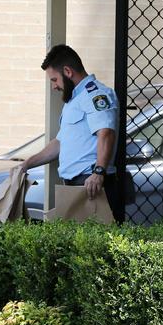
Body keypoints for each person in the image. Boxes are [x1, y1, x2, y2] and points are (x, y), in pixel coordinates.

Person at [17, 44, 123, 223]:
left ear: (67, 71)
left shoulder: (95, 95)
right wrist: (26, 164)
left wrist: (98, 172)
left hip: (91, 184)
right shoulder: (73, 100)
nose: (54, 86)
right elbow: (60, 143)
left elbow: (106, 133)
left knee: (95, 247)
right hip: (75, 186)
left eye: (54, 79)